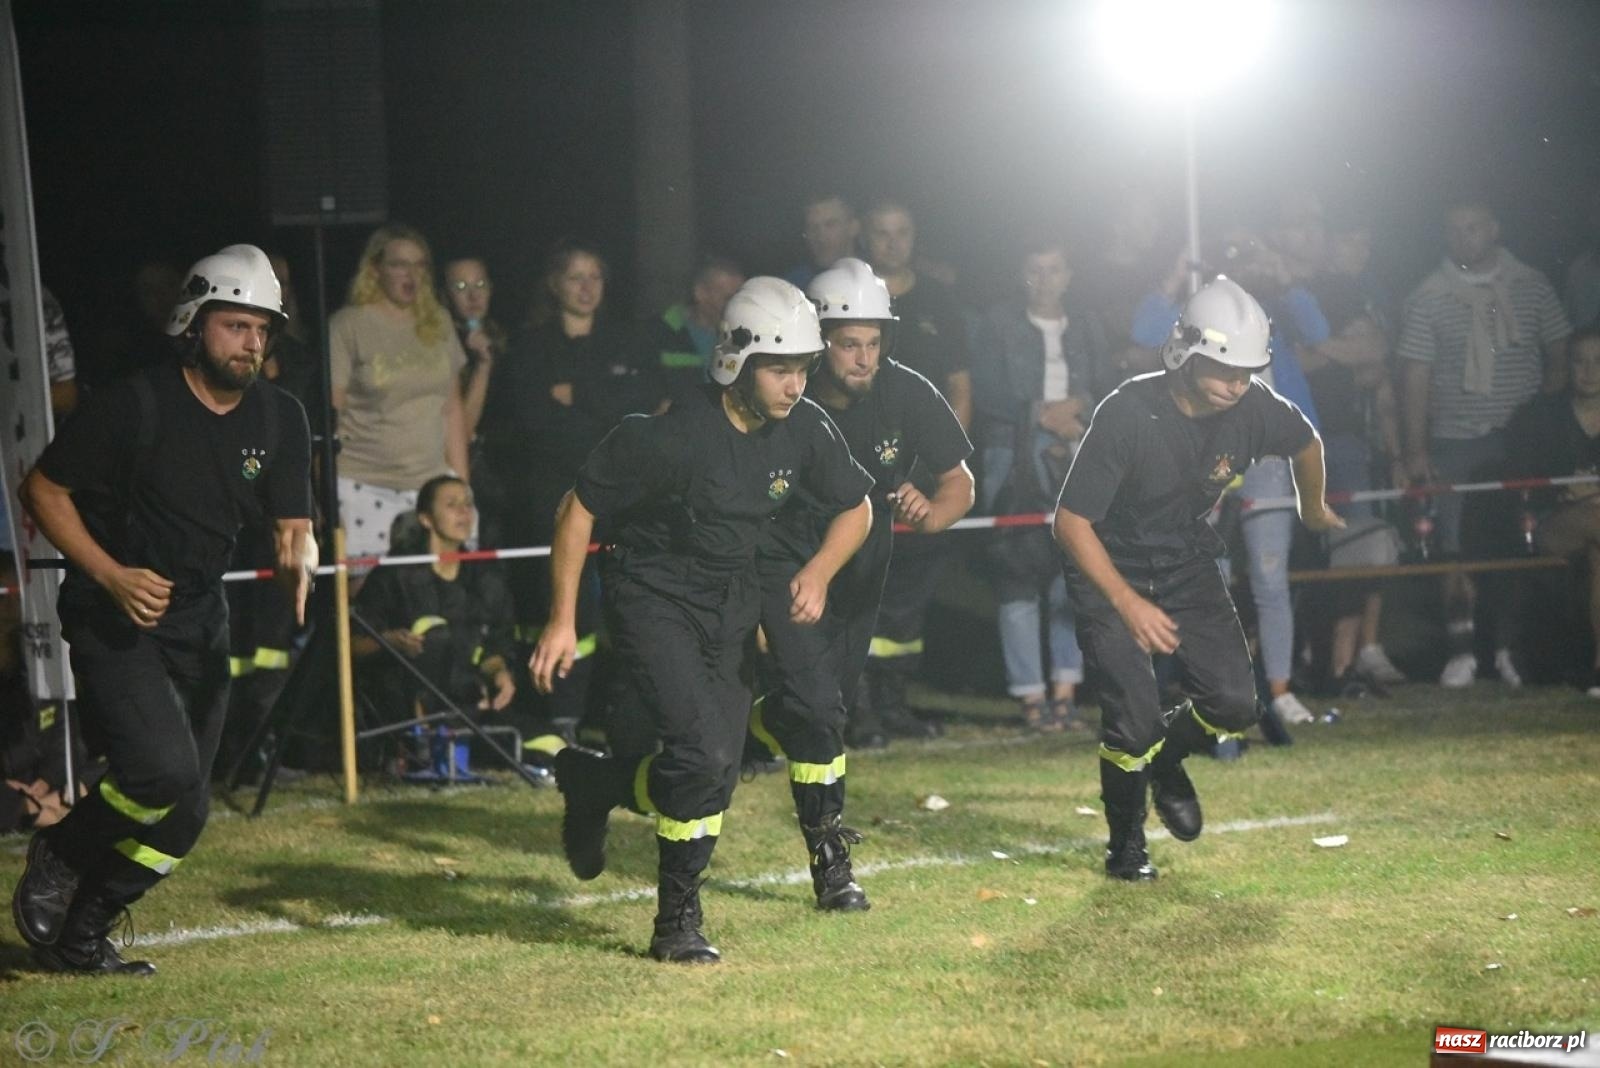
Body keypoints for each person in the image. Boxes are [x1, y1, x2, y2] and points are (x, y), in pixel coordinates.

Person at [531, 277, 871, 963]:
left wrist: (818, 571)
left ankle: (596, 782)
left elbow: (856, 507)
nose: (795, 384)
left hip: (731, 598)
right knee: (703, 755)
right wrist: (562, 619)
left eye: (804, 368)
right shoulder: (672, 435)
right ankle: (675, 924)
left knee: (711, 771)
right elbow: (578, 508)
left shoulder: (804, 427)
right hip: (654, 597)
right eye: (780, 368)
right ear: (735, 362)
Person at [12, 243, 315, 973]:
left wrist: (296, 556)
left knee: (184, 816)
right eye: (234, 325)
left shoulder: (281, 418)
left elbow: (292, 524)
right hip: (114, 613)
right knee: (160, 771)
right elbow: (43, 491)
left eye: (261, 329)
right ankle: (58, 852)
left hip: (199, 617)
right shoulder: (132, 403)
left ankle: (80, 938)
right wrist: (112, 574)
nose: (250, 343)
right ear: (193, 322)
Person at [1054, 277, 1341, 881]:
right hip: (1110, 566)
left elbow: (1306, 441)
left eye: (1247, 371)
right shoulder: (1127, 412)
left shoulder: (1253, 405)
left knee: (1236, 704)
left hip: (1185, 561)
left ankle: (1169, 757)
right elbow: (1071, 523)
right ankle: (1127, 845)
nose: (1237, 384)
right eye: (1224, 369)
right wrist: (1127, 603)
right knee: (1130, 721)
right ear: (1185, 354)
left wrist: (1311, 508)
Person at [749, 257, 972, 906]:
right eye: (850, 343)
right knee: (819, 714)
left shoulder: (908, 392)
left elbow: (959, 482)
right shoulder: (787, 394)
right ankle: (832, 866)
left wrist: (934, 515)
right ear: (819, 339)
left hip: (860, 582)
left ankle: (767, 722)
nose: (864, 358)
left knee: (823, 717)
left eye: (875, 342)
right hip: (785, 573)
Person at [1398, 196, 1570, 686]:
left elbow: (1558, 350)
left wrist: (1547, 421)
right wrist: (1416, 451)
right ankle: (1462, 649)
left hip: (1520, 440)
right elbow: (1415, 374)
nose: (1464, 237)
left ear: (1493, 229)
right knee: (1455, 548)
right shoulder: (1428, 295)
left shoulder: (1531, 285)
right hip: (1455, 438)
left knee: (1518, 544)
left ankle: (1509, 648)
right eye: (1453, 229)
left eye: (1473, 227)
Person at [856, 199, 974, 741]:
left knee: (908, 596)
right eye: (881, 232)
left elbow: (959, 385)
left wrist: (946, 460)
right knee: (857, 587)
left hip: (923, 468)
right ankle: (855, 710)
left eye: (902, 232)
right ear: (865, 236)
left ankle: (895, 704)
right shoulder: (847, 295)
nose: (892, 242)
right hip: (859, 470)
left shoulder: (938, 301)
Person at [973, 237, 1100, 731]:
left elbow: (1108, 384)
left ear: (1069, 274)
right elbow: (986, 392)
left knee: (1073, 567)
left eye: (1055, 268)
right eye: (1036, 269)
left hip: (1075, 448)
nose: (1046, 278)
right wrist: (1041, 416)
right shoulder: (997, 323)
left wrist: (1078, 412)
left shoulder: (1086, 324)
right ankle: (1030, 694)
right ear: (1023, 275)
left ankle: (1067, 691)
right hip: (1013, 453)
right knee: (1017, 568)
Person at [329, 224, 470, 566]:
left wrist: (463, 488)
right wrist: (323, 496)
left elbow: (452, 410)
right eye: (399, 264)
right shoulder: (348, 325)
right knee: (364, 597)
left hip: (433, 484)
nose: (412, 274)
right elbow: (331, 412)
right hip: (365, 482)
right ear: (375, 269)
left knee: (442, 586)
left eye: (420, 265)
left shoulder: (438, 322)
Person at [352, 475, 517, 763]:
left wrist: (500, 674)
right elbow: (351, 645)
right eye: (452, 504)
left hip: (469, 701)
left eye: (469, 503)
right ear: (426, 519)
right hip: (401, 701)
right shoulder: (394, 574)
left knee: (543, 746)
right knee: (438, 638)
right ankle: (417, 747)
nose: (465, 512)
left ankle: (464, 745)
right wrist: (389, 642)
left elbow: (492, 650)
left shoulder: (487, 578)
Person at [1504, 327, 1600, 694]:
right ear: (1567, 366)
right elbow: (1521, 479)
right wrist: (1566, 491)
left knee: (1597, 556)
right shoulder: (1540, 417)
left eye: (1598, 362)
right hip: (1550, 522)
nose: (1589, 371)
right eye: (1580, 362)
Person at [649, 255, 745, 408]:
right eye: (728, 298)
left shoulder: (744, 338)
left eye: (739, 299)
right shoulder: (659, 334)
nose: (735, 306)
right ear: (700, 293)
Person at [783, 193, 860, 290]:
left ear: (853, 227)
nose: (821, 237)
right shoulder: (793, 286)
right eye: (812, 227)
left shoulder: (877, 279)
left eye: (830, 225)